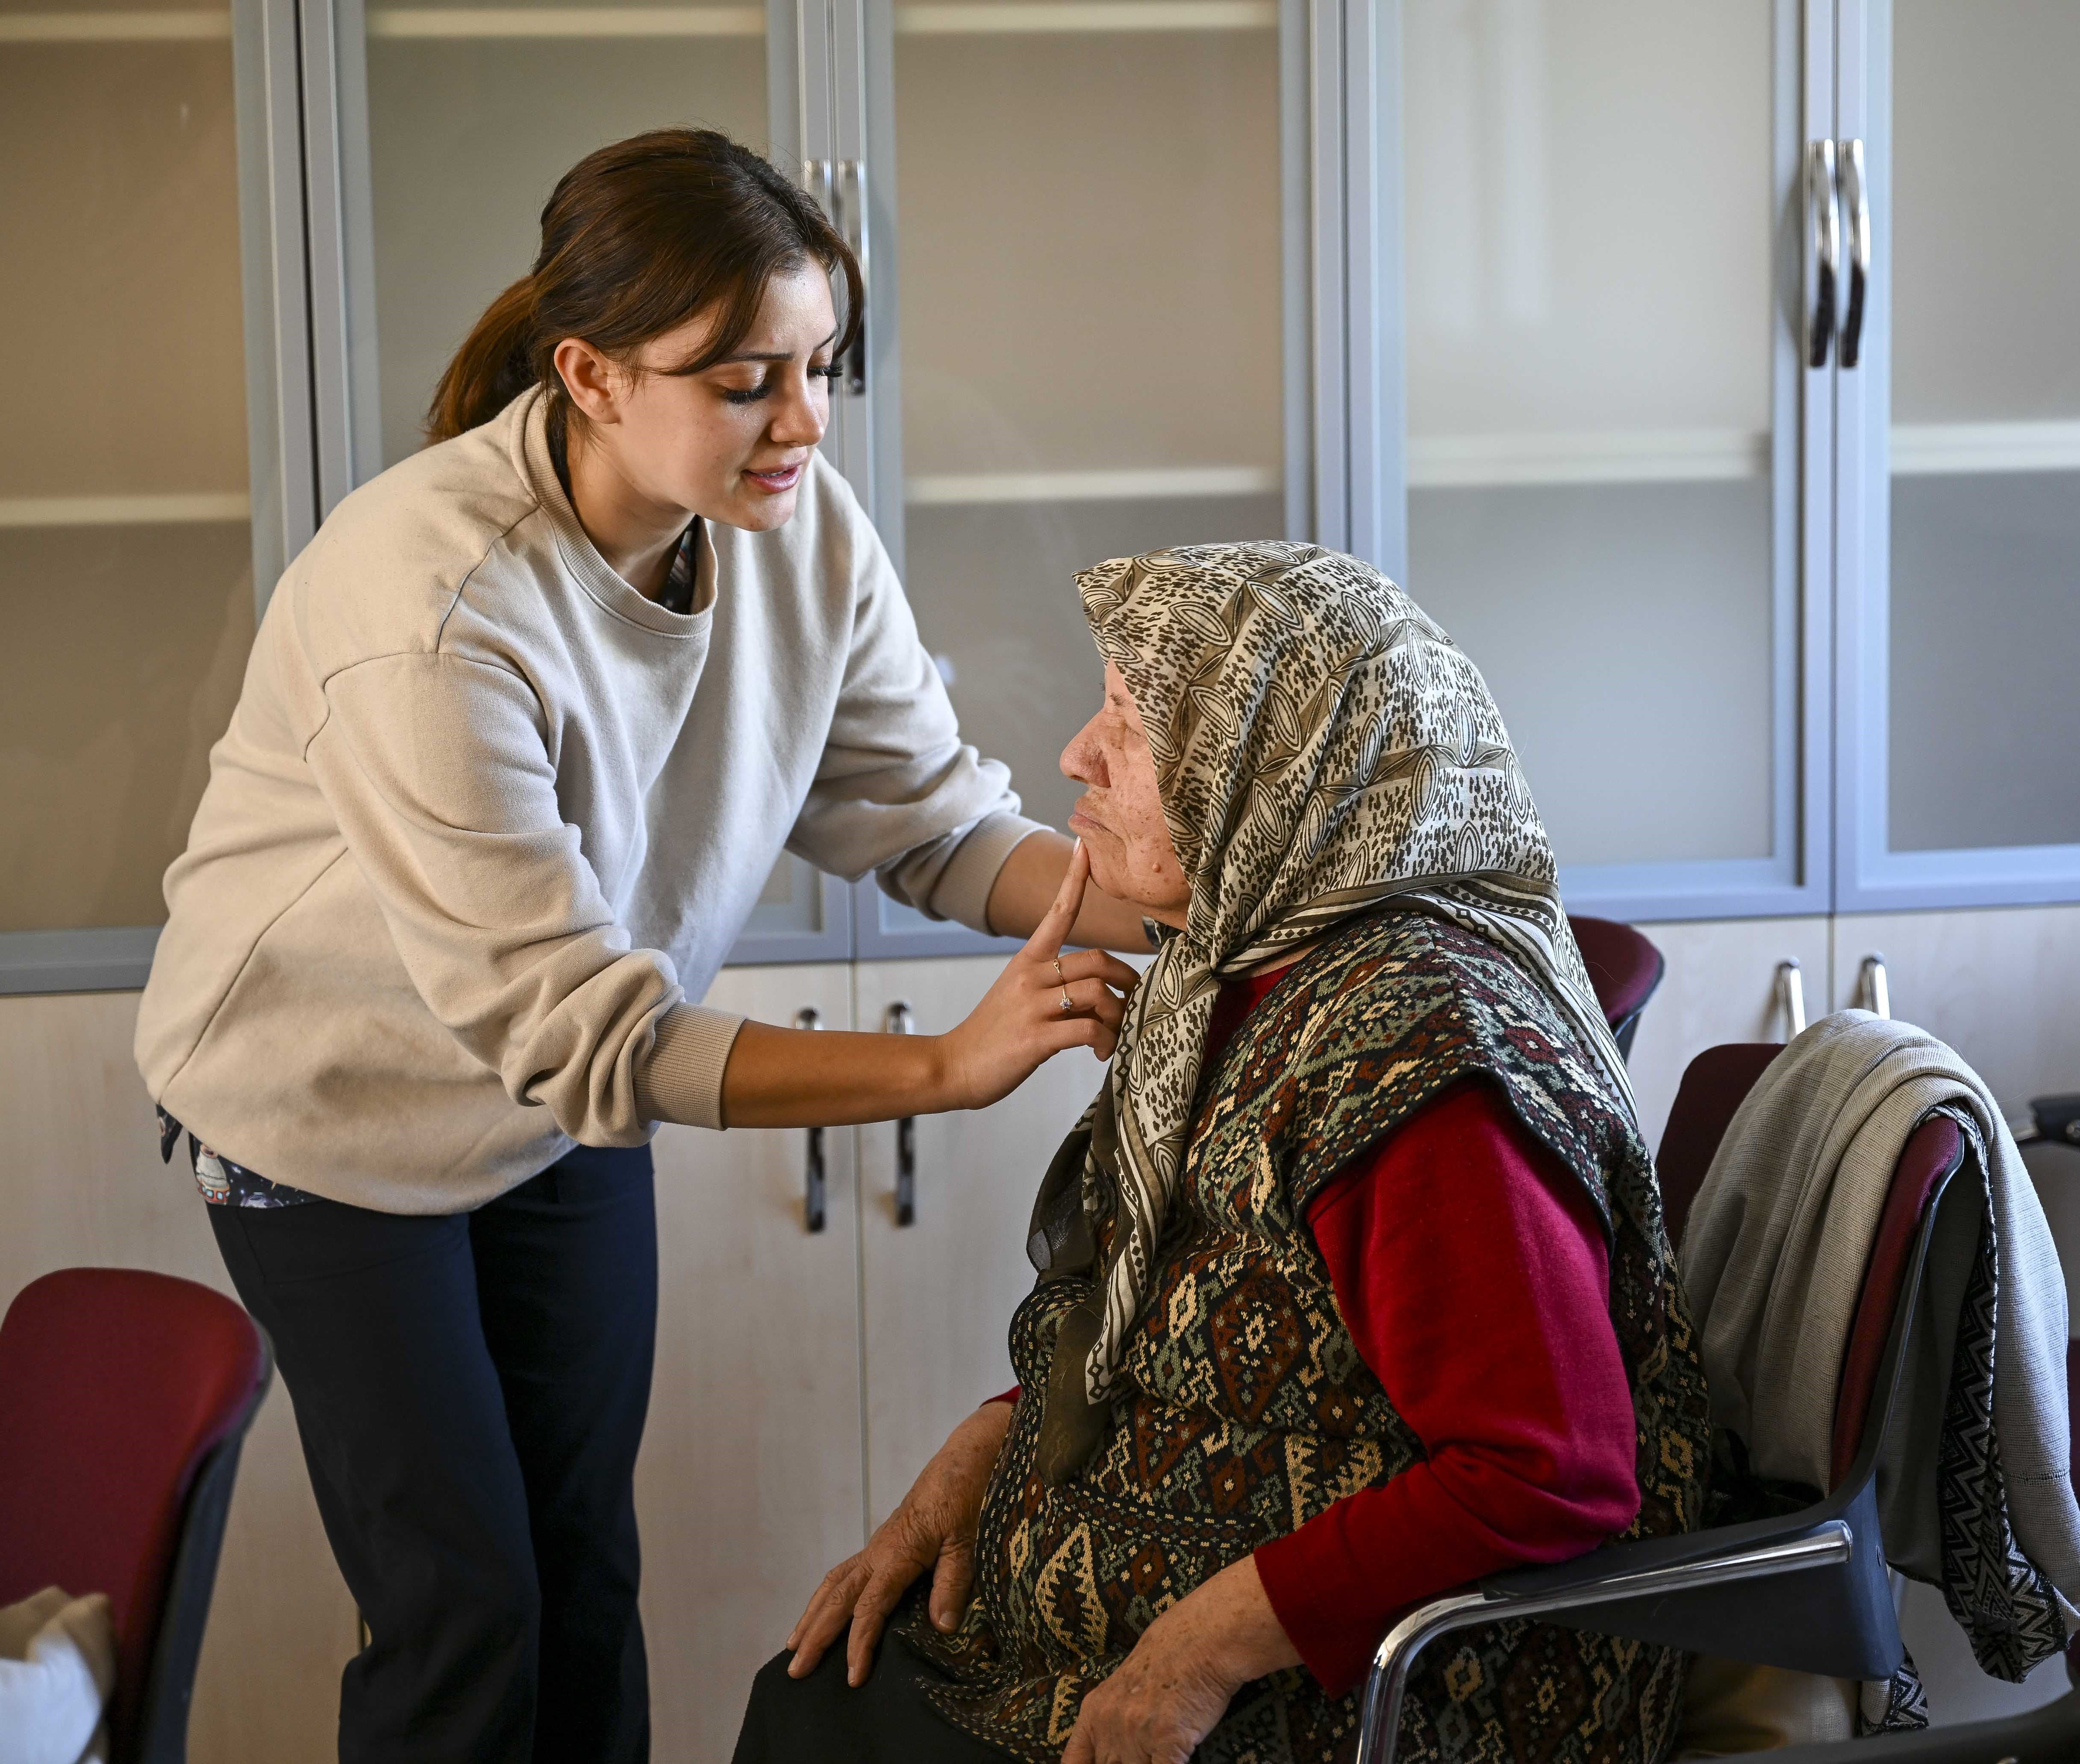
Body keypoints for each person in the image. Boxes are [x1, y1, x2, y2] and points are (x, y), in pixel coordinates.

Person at [132, 128, 1144, 1762]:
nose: (804, 423)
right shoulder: (435, 600)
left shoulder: (790, 520)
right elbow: (584, 1032)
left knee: (586, 1571)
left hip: (557, 1100)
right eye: (746, 380)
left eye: (822, 367)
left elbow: (928, 819)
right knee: (468, 1606)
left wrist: (1204, 894)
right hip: (328, 1118)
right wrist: (948, 1069)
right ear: (591, 374)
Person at [739, 542, 1712, 1764]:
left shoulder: (1414, 1062)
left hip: (1405, 1687)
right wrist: (983, 1445)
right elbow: (1182, 1315)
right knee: (823, 1690)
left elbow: (1547, 1474)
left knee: (832, 1722)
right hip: (1179, 1611)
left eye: (1129, 724)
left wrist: (1187, 1658)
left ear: (1276, 768)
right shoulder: (1236, 973)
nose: (1075, 757)